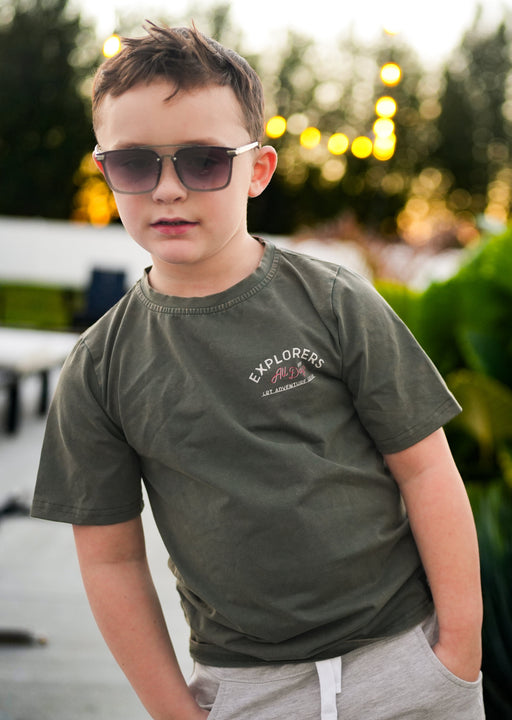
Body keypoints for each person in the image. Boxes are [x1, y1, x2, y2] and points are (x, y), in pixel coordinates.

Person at [31, 22, 484, 720]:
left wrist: (458, 650)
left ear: (258, 170)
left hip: (405, 660)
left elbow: (425, 471)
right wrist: (174, 712)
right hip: (247, 690)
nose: (168, 189)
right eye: (135, 164)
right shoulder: (99, 366)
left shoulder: (333, 302)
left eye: (204, 162)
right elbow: (110, 559)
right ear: (105, 172)